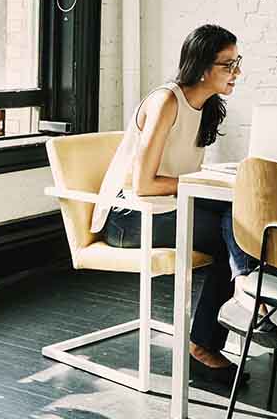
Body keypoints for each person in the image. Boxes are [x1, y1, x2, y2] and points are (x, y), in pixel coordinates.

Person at [91, 24, 247, 387]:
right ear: (202, 66)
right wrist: (200, 183)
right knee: (235, 230)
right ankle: (239, 300)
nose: (237, 72)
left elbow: (177, 175)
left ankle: (230, 309)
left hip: (165, 209)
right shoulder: (166, 101)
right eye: (228, 65)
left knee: (240, 216)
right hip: (130, 217)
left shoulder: (207, 107)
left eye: (237, 62)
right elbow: (145, 184)